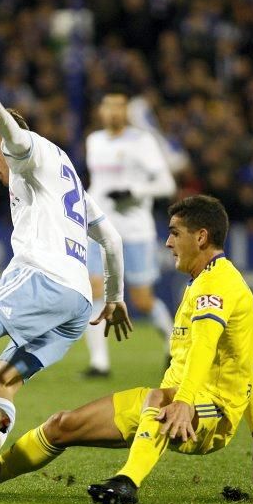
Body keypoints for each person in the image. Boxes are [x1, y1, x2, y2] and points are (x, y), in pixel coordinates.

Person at [0, 195, 253, 504]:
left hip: (211, 411)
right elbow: (244, 365)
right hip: (176, 397)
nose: (168, 242)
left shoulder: (220, 285)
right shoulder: (202, 281)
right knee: (61, 425)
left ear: (200, 237)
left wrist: (185, 402)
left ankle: (127, 482)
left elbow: (205, 349)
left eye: (175, 234)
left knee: (157, 401)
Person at [0, 67, 133, 490]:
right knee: (6, 380)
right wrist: (113, 297)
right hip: (76, 303)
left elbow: (16, 140)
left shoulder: (30, 154)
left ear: (0, 143)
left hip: (44, 276)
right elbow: (110, 238)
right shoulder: (66, 172)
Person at [82, 89, 177, 378]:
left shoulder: (142, 141)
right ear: (101, 112)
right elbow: (97, 183)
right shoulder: (94, 141)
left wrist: (134, 192)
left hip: (134, 231)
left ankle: (174, 346)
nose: (112, 112)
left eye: (118, 107)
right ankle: (100, 363)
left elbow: (167, 185)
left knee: (142, 300)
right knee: (95, 291)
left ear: (126, 112)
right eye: (108, 106)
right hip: (99, 229)